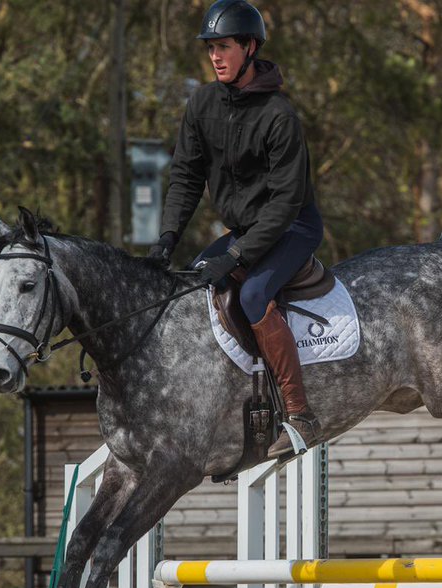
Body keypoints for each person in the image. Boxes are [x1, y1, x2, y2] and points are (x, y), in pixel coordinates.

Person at [152, 0, 323, 452]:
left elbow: (286, 202)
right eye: (210, 48)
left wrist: (236, 255)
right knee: (193, 284)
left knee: (251, 295)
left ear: (249, 47)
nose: (214, 56)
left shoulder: (279, 115)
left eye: (223, 46)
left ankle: (300, 414)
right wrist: (167, 237)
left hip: (291, 227)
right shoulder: (202, 103)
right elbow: (186, 176)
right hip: (246, 230)